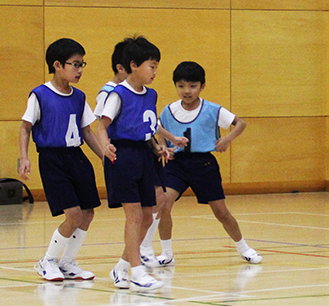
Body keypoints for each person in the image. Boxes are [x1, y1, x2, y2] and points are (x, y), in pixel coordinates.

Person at [17, 38, 115, 282]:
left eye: (83, 64)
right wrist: (24, 157)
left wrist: (105, 156)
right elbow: (25, 128)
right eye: (75, 64)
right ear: (58, 65)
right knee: (72, 214)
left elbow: (88, 132)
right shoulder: (40, 95)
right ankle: (47, 260)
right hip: (52, 159)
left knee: (88, 212)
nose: (80, 70)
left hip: (76, 157)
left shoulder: (79, 97)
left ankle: (68, 262)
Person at [155, 61, 262, 266]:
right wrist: (163, 148)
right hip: (176, 164)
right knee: (163, 204)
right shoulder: (168, 110)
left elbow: (241, 123)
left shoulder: (213, 110)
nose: (186, 91)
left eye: (192, 86)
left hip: (203, 164)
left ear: (202, 86)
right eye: (181, 85)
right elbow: (160, 131)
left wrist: (227, 139)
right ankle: (166, 253)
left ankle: (243, 247)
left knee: (221, 211)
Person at [95, 36, 177, 292]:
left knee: (146, 214)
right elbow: (101, 126)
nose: (155, 71)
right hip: (123, 156)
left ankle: (121, 267)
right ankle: (137, 271)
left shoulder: (151, 94)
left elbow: (147, 129)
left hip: (144, 155)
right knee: (133, 215)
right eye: (151, 66)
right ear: (133, 65)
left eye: (156, 66)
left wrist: (157, 146)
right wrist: (105, 145)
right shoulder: (117, 94)